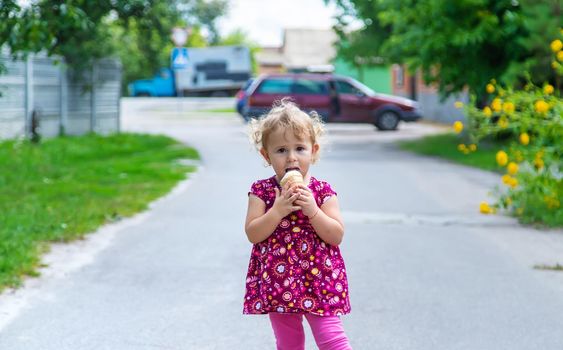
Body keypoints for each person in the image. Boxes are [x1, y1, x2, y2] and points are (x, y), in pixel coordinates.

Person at [243, 99, 352, 350]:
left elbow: (336, 235)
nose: (291, 158)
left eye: (299, 149)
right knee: (288, 342)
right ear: (266, 155)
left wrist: (313, 210)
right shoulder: (262, 192)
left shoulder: (323, 192)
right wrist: (277, 211)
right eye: (281, 150)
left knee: (332, 339)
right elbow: (253, 233)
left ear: (313, 151)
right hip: (278, 282)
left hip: (320, 279)